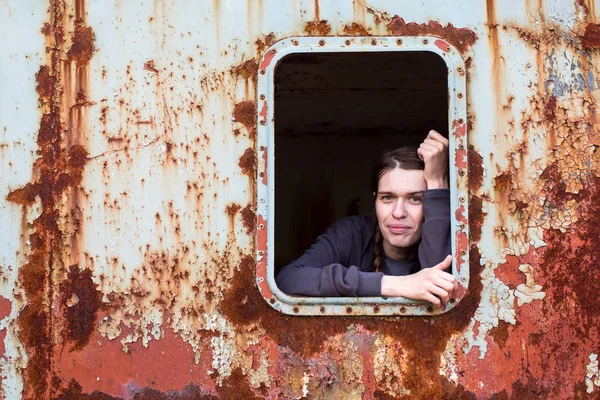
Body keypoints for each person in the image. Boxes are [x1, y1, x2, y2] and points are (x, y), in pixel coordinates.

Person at [275, 130, 458, 306]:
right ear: (375, 201)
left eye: (415, 199)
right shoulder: (351, 234)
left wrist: (437, 185)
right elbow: (288, 280)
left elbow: (440, 290)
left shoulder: (459, 241)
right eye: (388, 197)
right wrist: (396, 285)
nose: (398, 212)